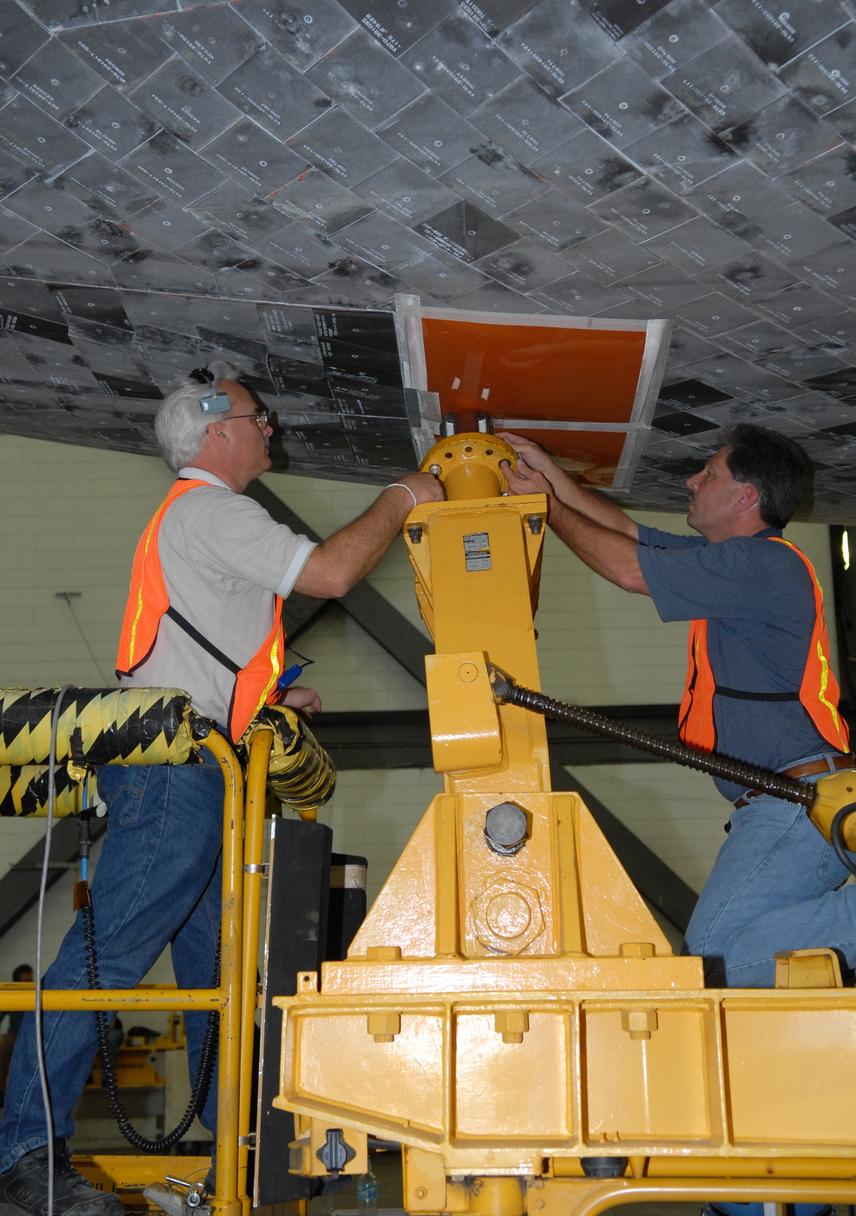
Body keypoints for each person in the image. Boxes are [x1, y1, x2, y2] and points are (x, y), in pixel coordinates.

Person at [0, 365, 443, 1216]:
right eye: (257, 417)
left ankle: (231, 1151)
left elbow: (200, 650)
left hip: (202, 771)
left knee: (217, 967)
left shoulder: (193, 522)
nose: (269, 428)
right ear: (214, 434)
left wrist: (271, 700)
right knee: (110, 956)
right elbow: (332, 573)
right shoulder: (210, 509)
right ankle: (23, 1150)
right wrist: (403, 496)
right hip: (178, 776)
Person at [502, 424, 855, 992]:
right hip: (791, 803)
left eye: (708, 472)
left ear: (746, 498)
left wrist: (543, 506)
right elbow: (625, 533)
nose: (692, 479)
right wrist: (551, 479)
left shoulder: (760, 567)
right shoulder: (738, 563)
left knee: (713, 966)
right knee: (721, 962)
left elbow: (628, 569)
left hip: (794, 804)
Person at [0, 966, 33, 1103]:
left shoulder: (36, 994)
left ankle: (33, 1093)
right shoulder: (11, 995)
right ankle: (0, 1090)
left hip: (33, 1037)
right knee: (2, 1045)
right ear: (17, 982)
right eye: (26, 980)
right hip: (14, 1036)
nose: (29, 982)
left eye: (31, 979)